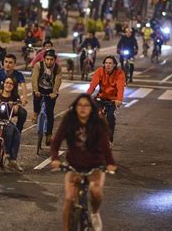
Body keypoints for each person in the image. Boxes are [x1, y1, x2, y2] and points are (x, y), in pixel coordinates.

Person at [50, 93, 117, 231]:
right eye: (80, 105)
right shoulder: (69, 120)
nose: (83, 108)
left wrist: (110, 163)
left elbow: (105, 146)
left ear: (91, 108)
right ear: (75, 107)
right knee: (69, 199)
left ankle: (94, 213)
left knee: (96, 191)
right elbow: (55, 142)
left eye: (86, 105)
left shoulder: (98, 123)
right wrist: (55, 158)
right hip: (74, 165)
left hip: (95, 166)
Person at [0, 76, 23, 171]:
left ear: (14, 86)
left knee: (16, 132)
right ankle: (3, 150)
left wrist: (12, 106)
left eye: (11, 83)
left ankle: (11, 158)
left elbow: (16, 110)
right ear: (3, 83)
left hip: (7, 122)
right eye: (6, 82)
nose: (8, 85)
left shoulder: (15, 97)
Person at [87, 56, 125, 143]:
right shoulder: (100, 71)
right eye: (106, 63)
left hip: (112, 100)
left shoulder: (119, 73)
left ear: (115, 65)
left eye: (110, 63)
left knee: (110, 117)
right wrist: (86, 96)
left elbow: (120, 87)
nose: (108, 65)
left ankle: (109, 139)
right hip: (101, 97)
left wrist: (119, 99)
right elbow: (93, 85)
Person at [31, 50, 62, 145]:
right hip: (39, 89)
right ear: (44, 59)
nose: (49, 62)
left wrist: (55, 92)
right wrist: (36, 90)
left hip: (50, 91)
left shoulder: (57, 68)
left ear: (54, 60)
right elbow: (34, 78)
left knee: (50, 113)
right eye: (47, 59)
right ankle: (36, 113)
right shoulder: (38, 66)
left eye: (51, 60)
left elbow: (58, 80)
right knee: (36, 100)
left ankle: (49, 135)